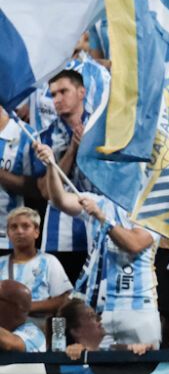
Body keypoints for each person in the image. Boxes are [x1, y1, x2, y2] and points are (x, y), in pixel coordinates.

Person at [33, 139, 157, 348]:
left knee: (140, 373)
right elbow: (60, 200)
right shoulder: (100, 202)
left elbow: (134, 244)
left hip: (137, 310)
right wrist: (51, 166)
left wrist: (102, 219)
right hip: (102, 313)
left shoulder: (149, 209)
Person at [2, 207, 71, 318]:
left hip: (38, 328)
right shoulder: (1, 263)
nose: (19, 231)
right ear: (8, 234)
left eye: (25, 226)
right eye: (14, 227)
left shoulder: (49, 261)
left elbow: (63, 300)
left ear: (36, 232)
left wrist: (26, 307)